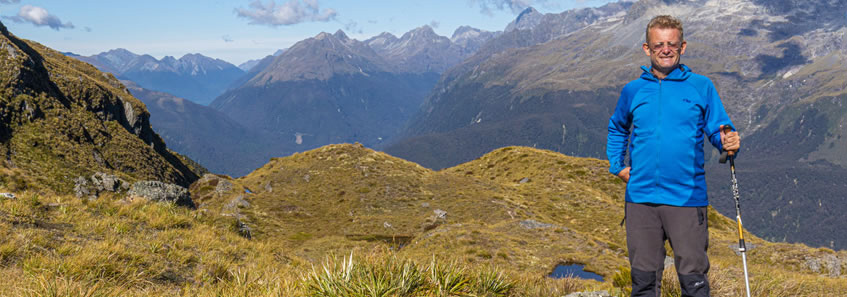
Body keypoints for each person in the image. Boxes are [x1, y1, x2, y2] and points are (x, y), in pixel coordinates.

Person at [606, 15, 741, 297]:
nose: (665, 49)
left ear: (683, 47)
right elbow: (618, 127)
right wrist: (617, 166)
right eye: (659, 45)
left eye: (672, 44)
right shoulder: (633, 90)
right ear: (647, 48)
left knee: (693, 281)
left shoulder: (701, 87)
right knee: (643, 281)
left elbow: (718, 130)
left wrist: (727, 141)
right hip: (641, 199)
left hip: (686, 198)